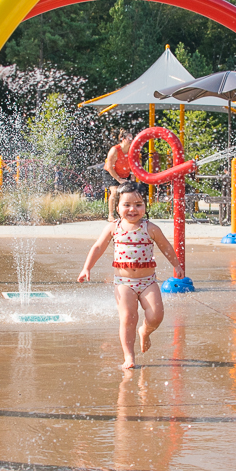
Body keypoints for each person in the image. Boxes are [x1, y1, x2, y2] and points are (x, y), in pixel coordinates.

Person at [78, 183, 183, 370]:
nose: (132, 209)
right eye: (126, 205)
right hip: (123, 283)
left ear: (145, 206)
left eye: (138, 204)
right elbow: (98, 247)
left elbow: (165, 247)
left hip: (148, 282)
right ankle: (129, 356)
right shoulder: (113, 228)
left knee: (156, 316)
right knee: (127, 318)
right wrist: (87, 268)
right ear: (117, 207)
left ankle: (145, 331)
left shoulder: (150, 228)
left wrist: (176, 264)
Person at [103, 129, 134, 221]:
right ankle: (111, 215)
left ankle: (125, 213)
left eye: (132, 137)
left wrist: (132, 180)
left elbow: (133, 167)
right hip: (111, 173)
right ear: (123, 139)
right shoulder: (115, 150)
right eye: (129, 137)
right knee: (115, 191)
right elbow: (109, 167)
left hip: (126, 174)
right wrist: (119, 179)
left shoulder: (132, 150)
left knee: (130, 192)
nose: (131, 139)